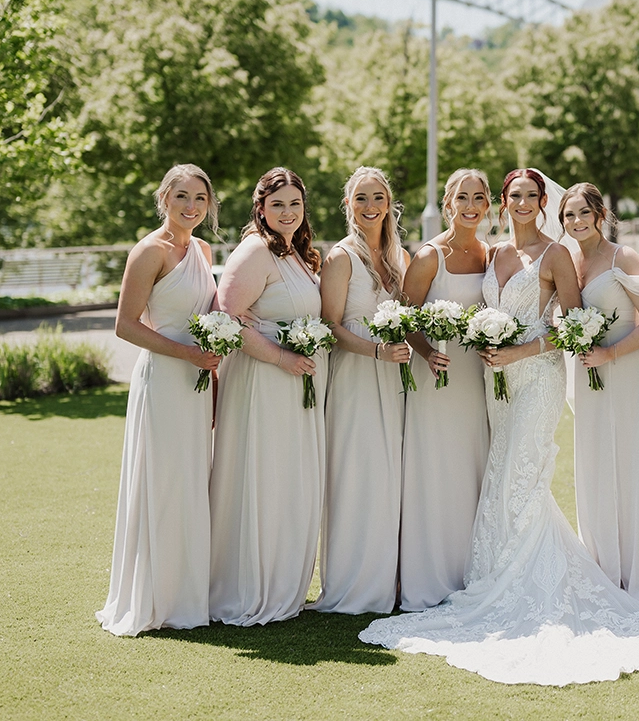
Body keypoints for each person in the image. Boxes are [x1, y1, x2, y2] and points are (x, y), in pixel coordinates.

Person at [360, 168, 639, 686]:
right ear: (504, 202)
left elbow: (572, 329)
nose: (523, 203)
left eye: (532, 196)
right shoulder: (493, 254)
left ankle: (527, 579)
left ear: (542, 203)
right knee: (501, 470)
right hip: (496, 382)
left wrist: (521, 351)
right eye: (515, 195)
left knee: (524, 472)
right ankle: (497, 572)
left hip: (537, 377)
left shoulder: (556, 255)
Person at [97, 164, 221, 636]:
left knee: (191, 482)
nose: (191, 206)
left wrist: (213, 360)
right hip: (164, 381)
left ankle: (189, 594)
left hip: (198, 381)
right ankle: (156, 598)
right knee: (164, 483)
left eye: (200, 198)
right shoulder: (149, 251)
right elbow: (125, 325)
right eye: (182, 196)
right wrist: (186, 353)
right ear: (164, 198)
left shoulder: (203, 250)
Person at [209, 167, 326, 626]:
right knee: (263, 476)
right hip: (262, 381)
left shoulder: (295, 252)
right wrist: (281, 358)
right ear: (260, 208)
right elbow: (226, 317)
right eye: (277, 204)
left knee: (287, 479)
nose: (288, 212)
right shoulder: (256, 251)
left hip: (294, 382)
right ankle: (248, 586)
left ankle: (282, 582)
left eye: (295, 203)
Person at [311, 166, 411, 614]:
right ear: (349, 205)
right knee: (356, 472)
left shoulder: (397, 256)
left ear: (389, 204)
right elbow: (330, 325)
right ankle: (352, 582)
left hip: (393, 377)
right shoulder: (340, 257)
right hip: (355, 375)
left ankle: (385, 577)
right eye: (361, 198)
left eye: (378, 198)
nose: (370, 207)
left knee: (388, 473)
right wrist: (375, 351)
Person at [559, 182, 639, 605]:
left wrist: (610, 353)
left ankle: (637, 567)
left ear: (600, 215)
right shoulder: (569, 262)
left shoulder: (625, 258)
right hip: (590, 375)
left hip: (628, 371)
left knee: (632, 463)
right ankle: (602, 564)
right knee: (597, 461)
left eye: (584, 212)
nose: (577, 221)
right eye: (569, 215)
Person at [398, 169, 491, 611]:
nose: (470, 206)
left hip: (477, 376)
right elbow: (404, 317)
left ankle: (472, 570)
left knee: (473, 465)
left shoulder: (489, 253)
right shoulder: (429, 256)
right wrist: (427, 352)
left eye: (479, 198)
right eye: (462, 198)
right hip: (437, 376)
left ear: (488, 204)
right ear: (448, 203)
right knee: (436, 468)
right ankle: (431, 574)